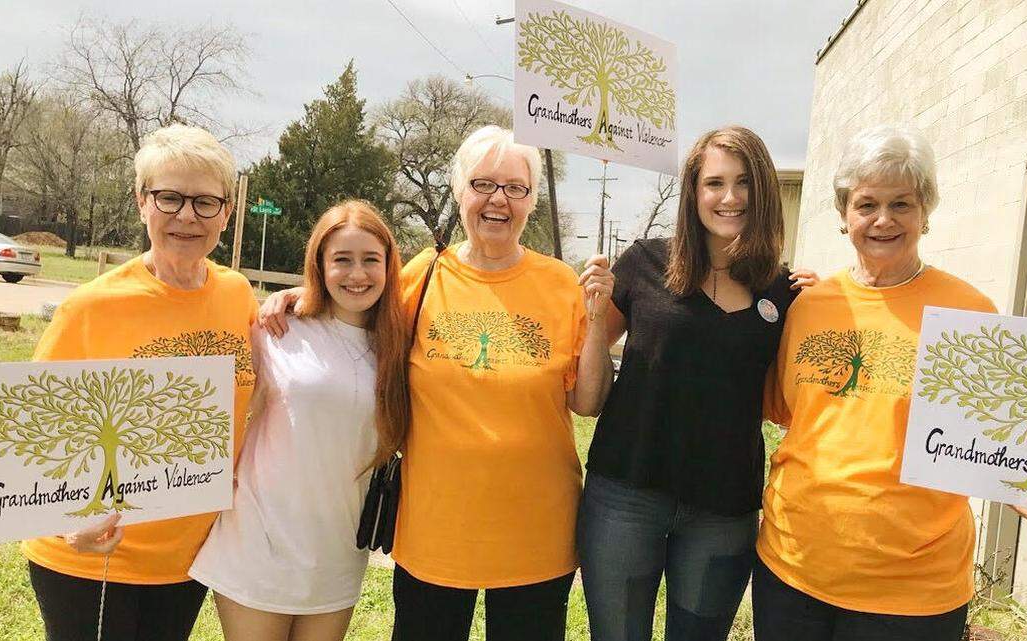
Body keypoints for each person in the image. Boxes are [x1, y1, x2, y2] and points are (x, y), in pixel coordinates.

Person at [259, 125, 615, 641]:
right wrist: (296, 299)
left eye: (516, 187)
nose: (499, 199)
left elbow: (588, 402)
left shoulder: (562, 284)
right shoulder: (419, 277)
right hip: (434, 533)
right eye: (483, 184)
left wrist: (598, 318)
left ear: (532, 200)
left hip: (537, 533)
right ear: (458, 190)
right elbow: (352, 304)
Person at [752, 124, 1027, 640]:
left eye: (902, 204)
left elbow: (995, 443)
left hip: (912, 591)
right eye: (866, 204)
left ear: (925, 211)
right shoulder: (810, 306)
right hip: (792, 569)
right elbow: (790, 414)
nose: (883, 219)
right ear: (844, 215)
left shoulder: (968, 312)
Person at [577, 126, 815, 641]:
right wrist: (595, 321)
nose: (729, 197)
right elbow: (588, 400)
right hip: (626, 496)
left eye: (744, 182)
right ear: (693, 192)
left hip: (723, 509)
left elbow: (801, 392)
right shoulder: (643, 263)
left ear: (764, 192)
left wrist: (827, 308)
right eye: (714, 183)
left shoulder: (784, 289)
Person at [23, 124, 258, 641]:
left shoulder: (237, 295)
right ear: (141, 201)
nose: (186, 216)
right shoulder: (93, 306)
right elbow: (30, 435)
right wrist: (67, 518)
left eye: (205, 202)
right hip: (93, 556)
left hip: (188, 557)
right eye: (169, 197)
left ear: (227, 212)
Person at [189, 200, 410, 641]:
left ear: (389, 266)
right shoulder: (277, 331)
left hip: (338, 551)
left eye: (371, 260)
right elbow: (213, 410)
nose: (357, 274)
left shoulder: (399, 345)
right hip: (260, 542)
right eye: (341, 260)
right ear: (319, 266)